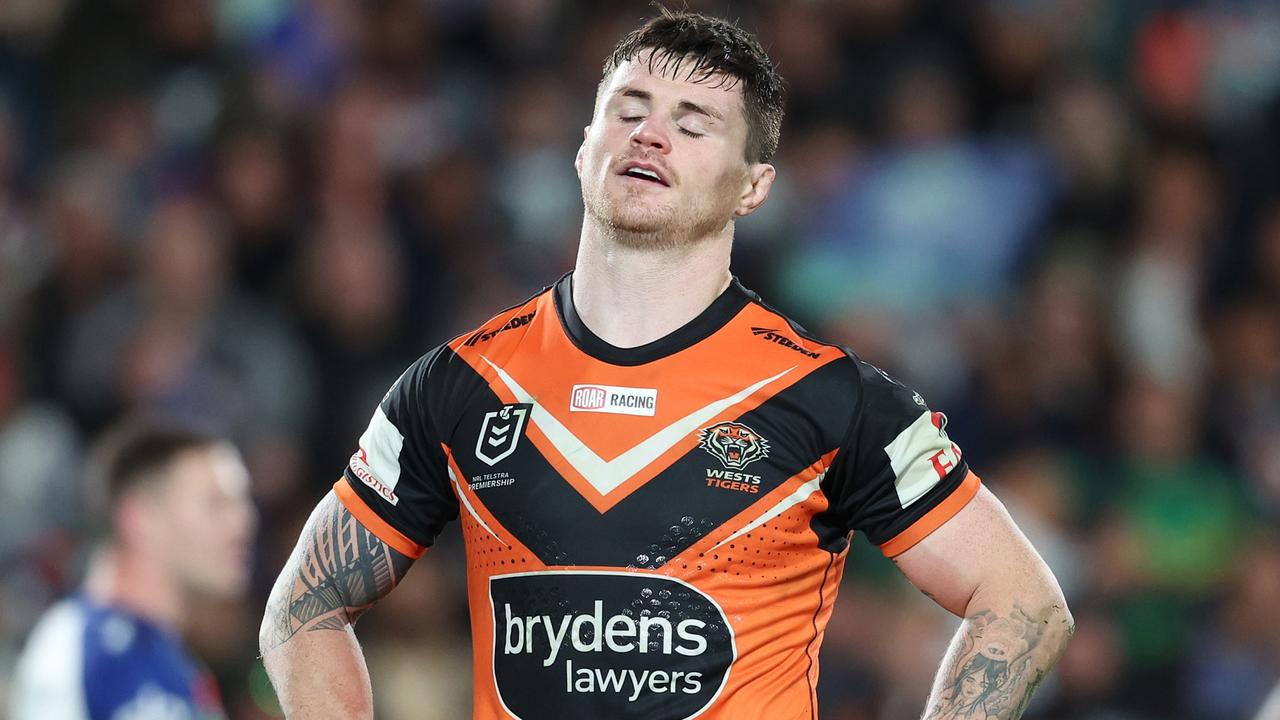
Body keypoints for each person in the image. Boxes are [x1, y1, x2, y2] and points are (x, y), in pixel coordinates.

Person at [260, 9, 1073, 718]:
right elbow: (303, 606)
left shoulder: (830, 397)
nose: (650, 133)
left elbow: (1023, 602)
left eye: (693, 124)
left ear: (753, 188)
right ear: (584, 149)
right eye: (628, 110)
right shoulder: (463, 383)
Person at [10, 421, 257, 720]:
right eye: (216, 503)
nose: (244, 522)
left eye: (242, 503)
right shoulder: (88, 650)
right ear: (139, 519)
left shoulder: (166, 659)